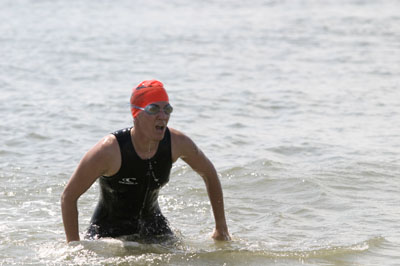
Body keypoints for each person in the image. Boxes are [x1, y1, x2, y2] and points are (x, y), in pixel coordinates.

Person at [61, 80, 231, 243]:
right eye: (153, 109)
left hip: (155, 229)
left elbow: (209, 173)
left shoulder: (177, 143)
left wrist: (221, 229)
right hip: (108, 235)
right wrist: (74, 247)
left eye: (167, 109)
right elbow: (69, 196)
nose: (163, 116)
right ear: (136, 113)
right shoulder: (109, 150)